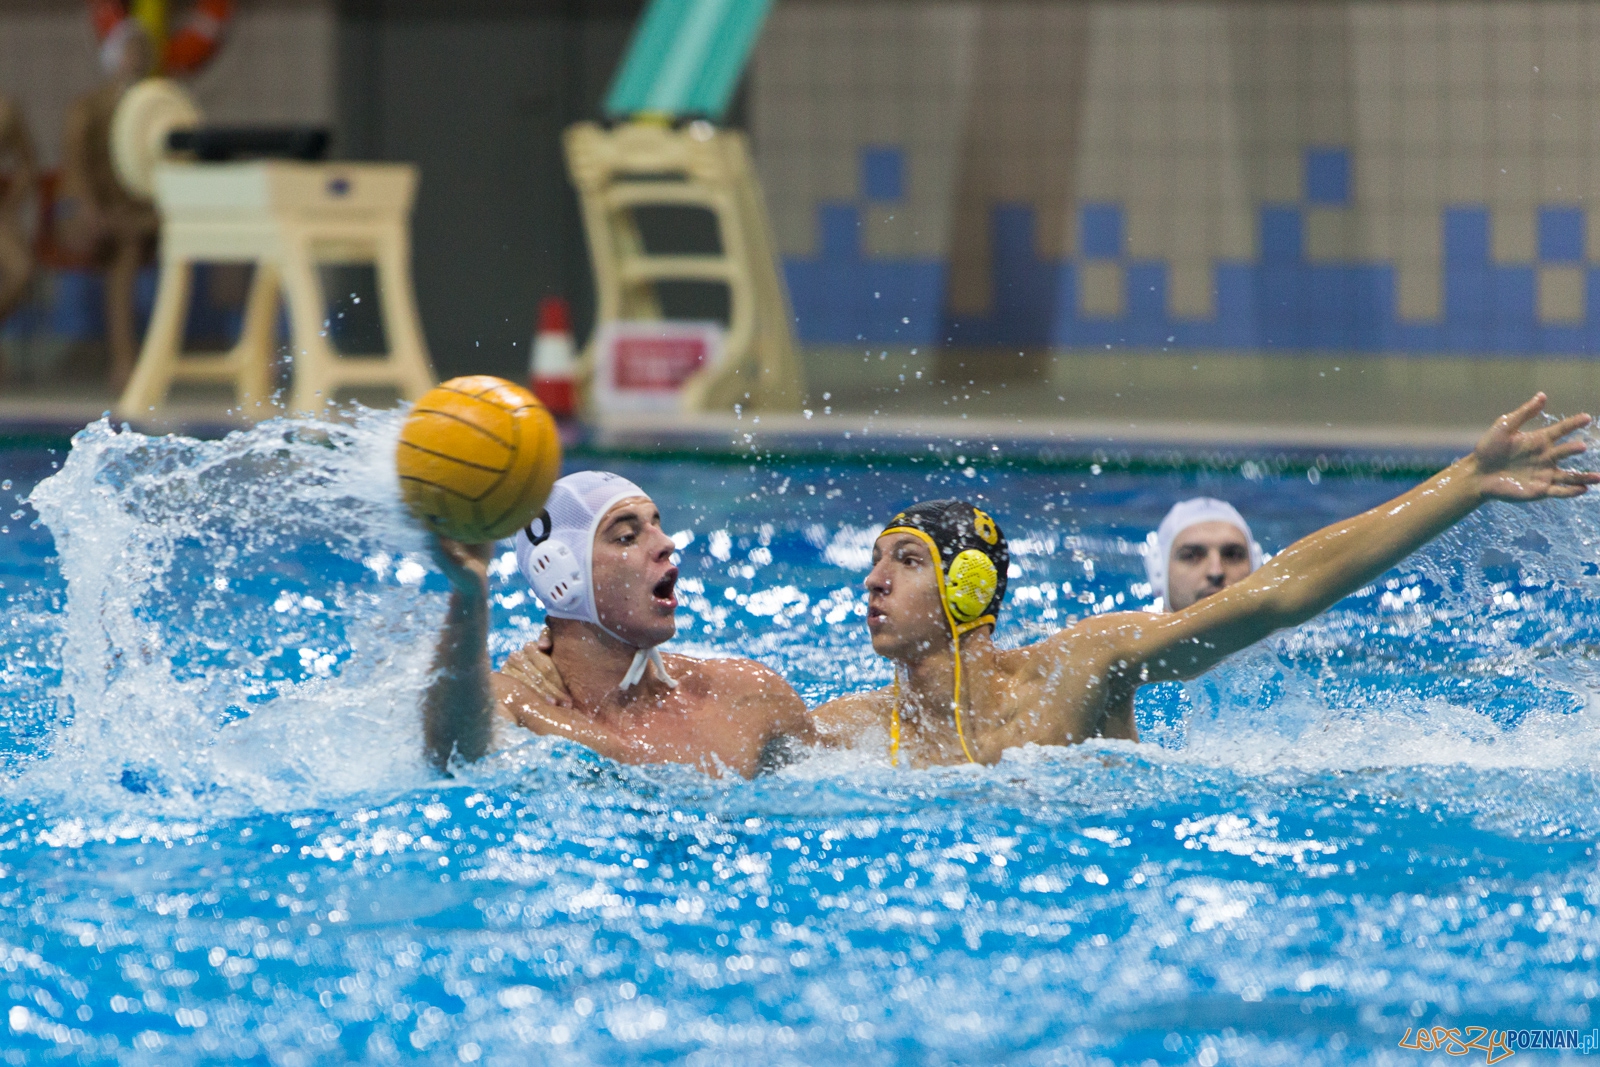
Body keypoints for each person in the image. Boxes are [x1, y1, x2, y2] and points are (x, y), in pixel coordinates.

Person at [814, 395, 1597, 765]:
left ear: (970, 587)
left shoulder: (1075, 670)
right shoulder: (854, 730)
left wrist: (1462, 482)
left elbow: (1280, 591)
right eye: (877, 561)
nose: (873, 582)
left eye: (905, 561)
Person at [422, 470, 814, 778]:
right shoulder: (512, 704)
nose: (666, 543)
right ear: (559, 573)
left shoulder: (746, 697)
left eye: (657, 524)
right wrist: (469, 597)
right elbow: (451, 757)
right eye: (627, 536)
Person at [57, 20, 159, 390]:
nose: (136, 61)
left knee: (130, 243)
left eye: (141, 53)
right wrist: (90, 210)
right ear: (113, 59)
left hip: (138, 218)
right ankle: (126, 360)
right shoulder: (88, 108)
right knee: (125, 249)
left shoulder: (156, 107)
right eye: (130, 53)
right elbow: (76, 168)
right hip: (92, 216)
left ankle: (135, 360)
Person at [1145, 498, 1262, 612]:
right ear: (1159, 572)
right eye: (1191, 556)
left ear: (1255, 568)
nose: (1216, 572)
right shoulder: (1130, 631)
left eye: (1232, 555)